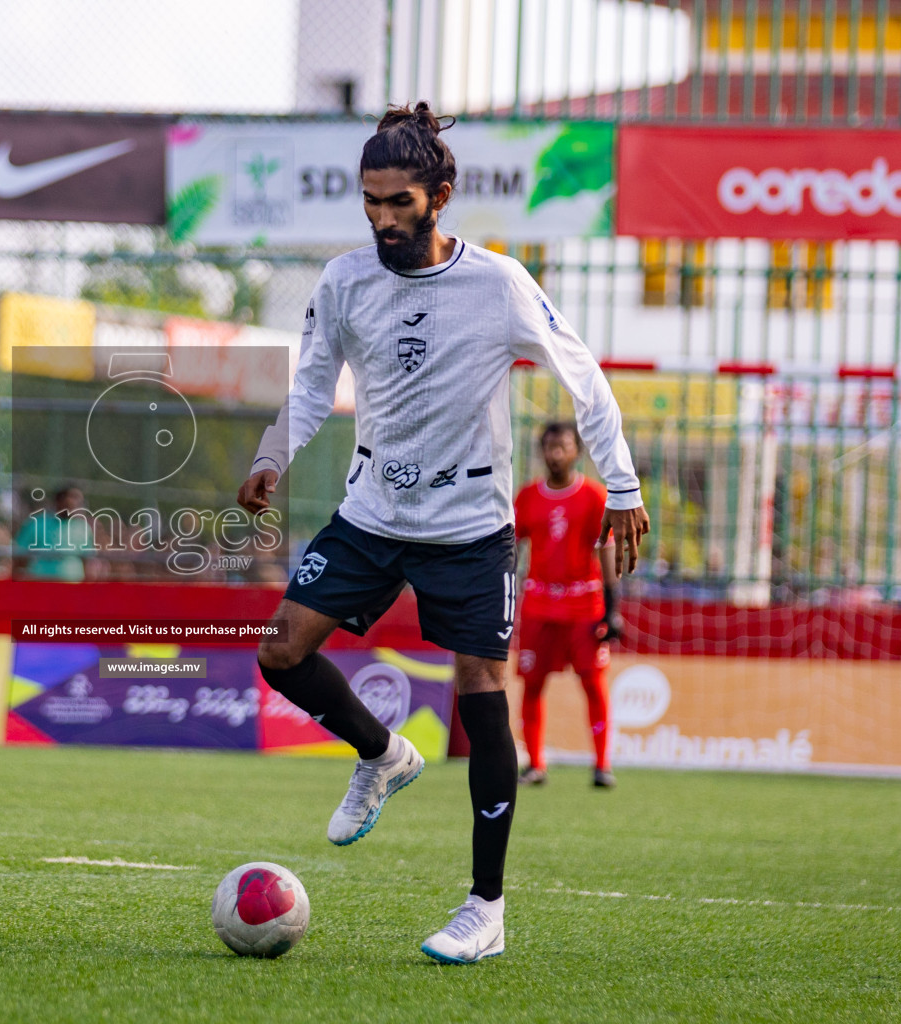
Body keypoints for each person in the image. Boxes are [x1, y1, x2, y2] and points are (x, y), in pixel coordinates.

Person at [236, 103, 649, 966]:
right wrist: (273, 456)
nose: (382, 218)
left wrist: (622, 485)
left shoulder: (496, 285)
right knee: (280, 650)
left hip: (468, 528)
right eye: (370, 202)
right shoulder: (345, 281)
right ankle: (383, 754)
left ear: (441, 196)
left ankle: (485, 909)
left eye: (399, 202)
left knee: (480, 687)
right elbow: (313, 385)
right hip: (371, 513)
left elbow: (584, 376)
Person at [514, 422, 623, 789]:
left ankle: (602, 764)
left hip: (583, 603)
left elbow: (606, 550)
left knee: (593, 683)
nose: (555, 453)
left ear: (577, 451)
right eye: (549, 446)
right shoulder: (527, 497)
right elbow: (510, 549)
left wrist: (613, 607)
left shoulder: (594, 496)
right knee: (531, 684)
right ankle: (535, 764)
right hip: (538, 602)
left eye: (562, 446)